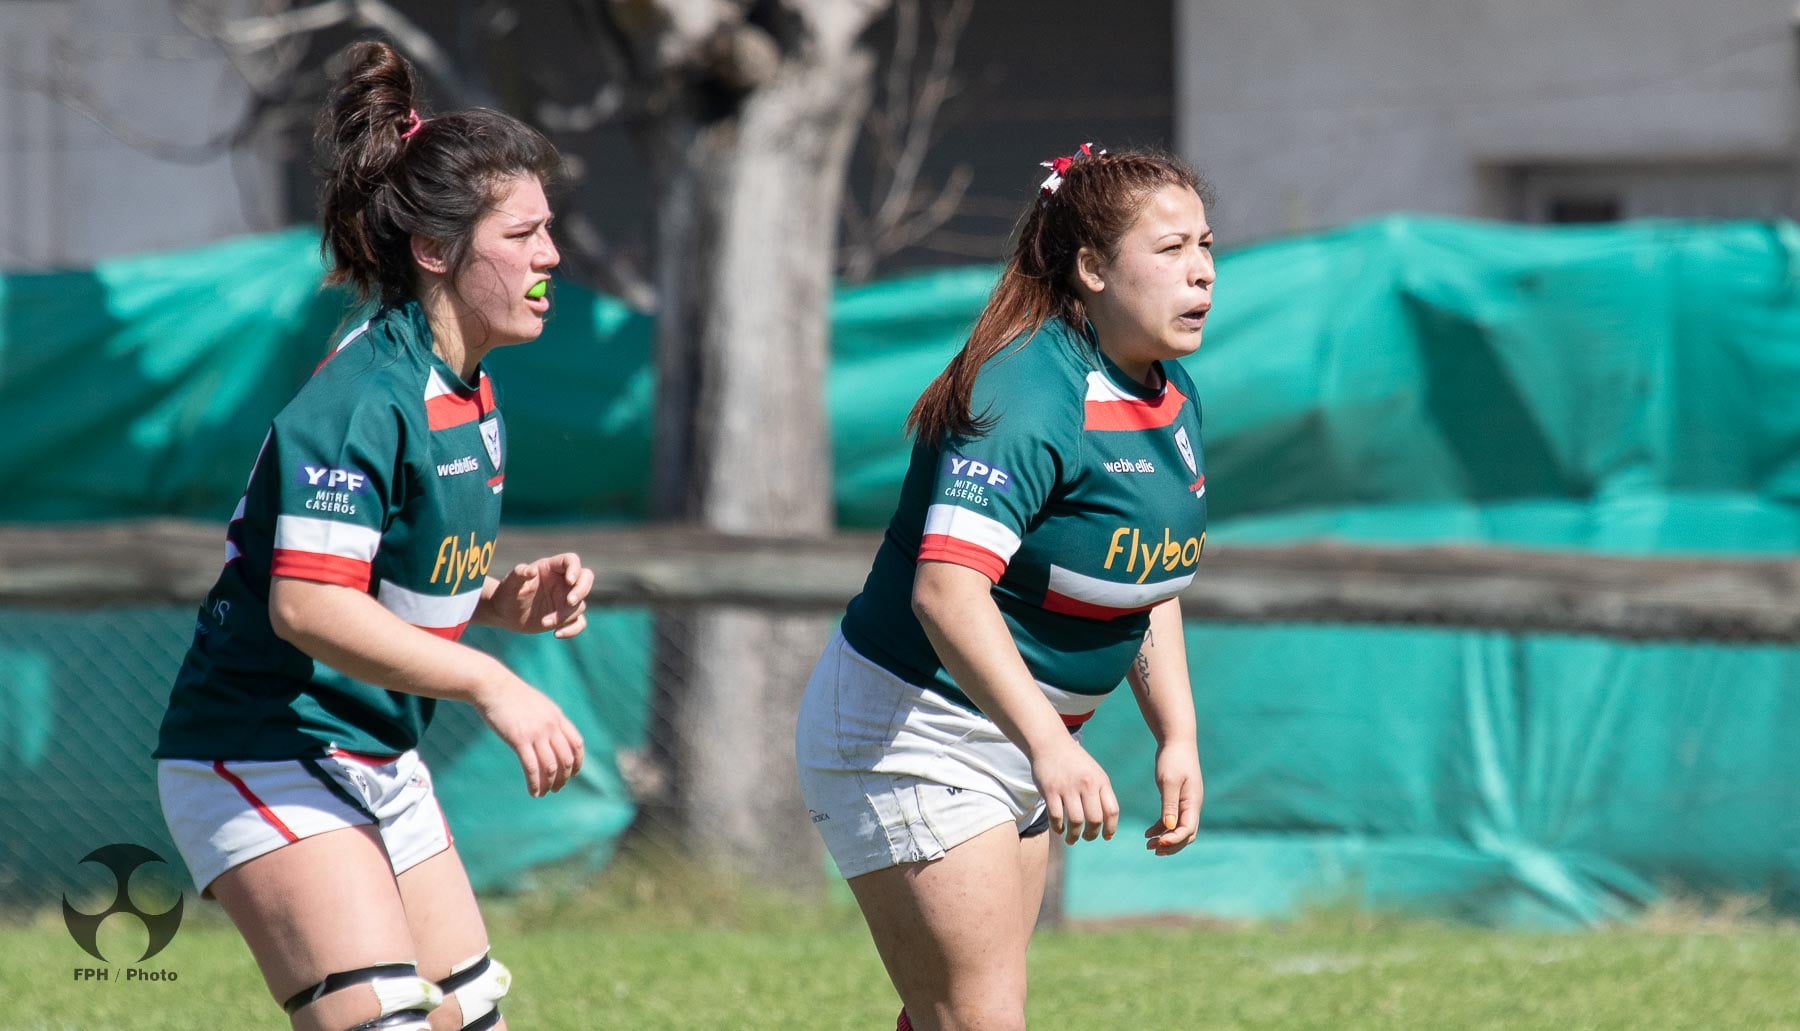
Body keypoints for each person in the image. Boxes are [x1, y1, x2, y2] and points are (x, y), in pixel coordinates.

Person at [155, 40, 587, 1031]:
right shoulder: (366, 395)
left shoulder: (467, 389)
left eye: (549, 229)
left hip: (374, 753)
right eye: (523, 233)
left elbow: (367, 583)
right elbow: (308, 605)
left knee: (468, 1016)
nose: (550, 257)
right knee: (385, 1020)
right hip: (263, 749)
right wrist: (490, 679)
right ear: (434, 250)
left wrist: (495, 603)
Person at [795, 144, 1215, 1031]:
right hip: (917, 730)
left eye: (1206, 245)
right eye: (1172, 249)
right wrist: (1050, 746)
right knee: (979, 1017)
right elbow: (946, 592)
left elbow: (1145, 576)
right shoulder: (1028, 389)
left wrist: (1175, 732)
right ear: (1092, 268)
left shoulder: (1170, 393)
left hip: (1016, 739)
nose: (1203, 271)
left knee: (952, 1014)